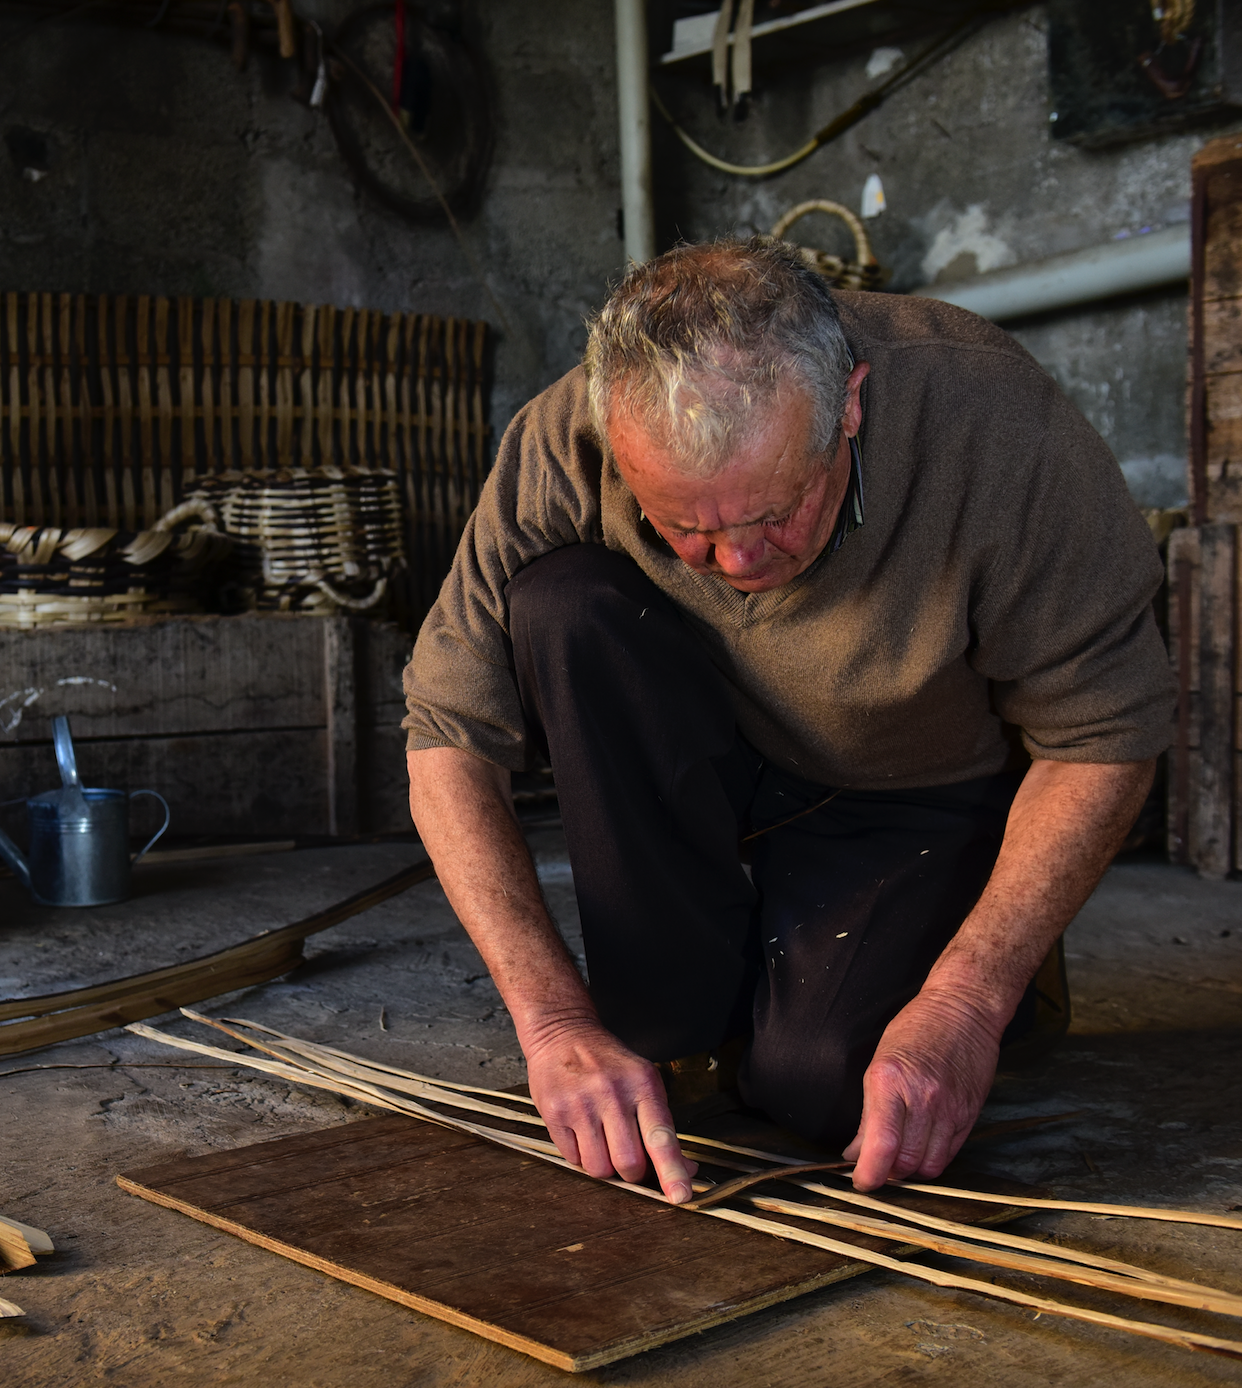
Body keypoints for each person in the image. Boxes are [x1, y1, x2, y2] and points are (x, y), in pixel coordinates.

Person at [403, 237, 1173, 1204]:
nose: (735, 562)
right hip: (705, 757)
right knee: (561, 605)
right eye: (685, 529)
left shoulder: (996, 423)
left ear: (847, 407)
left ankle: (940, 965)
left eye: (775, 512)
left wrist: (967, 1001)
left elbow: (1102, 737)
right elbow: (447, 736)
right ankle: (695, 1001)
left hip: (908, 790)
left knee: (825, 1090)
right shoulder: (566, 434)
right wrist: (553, 1024)